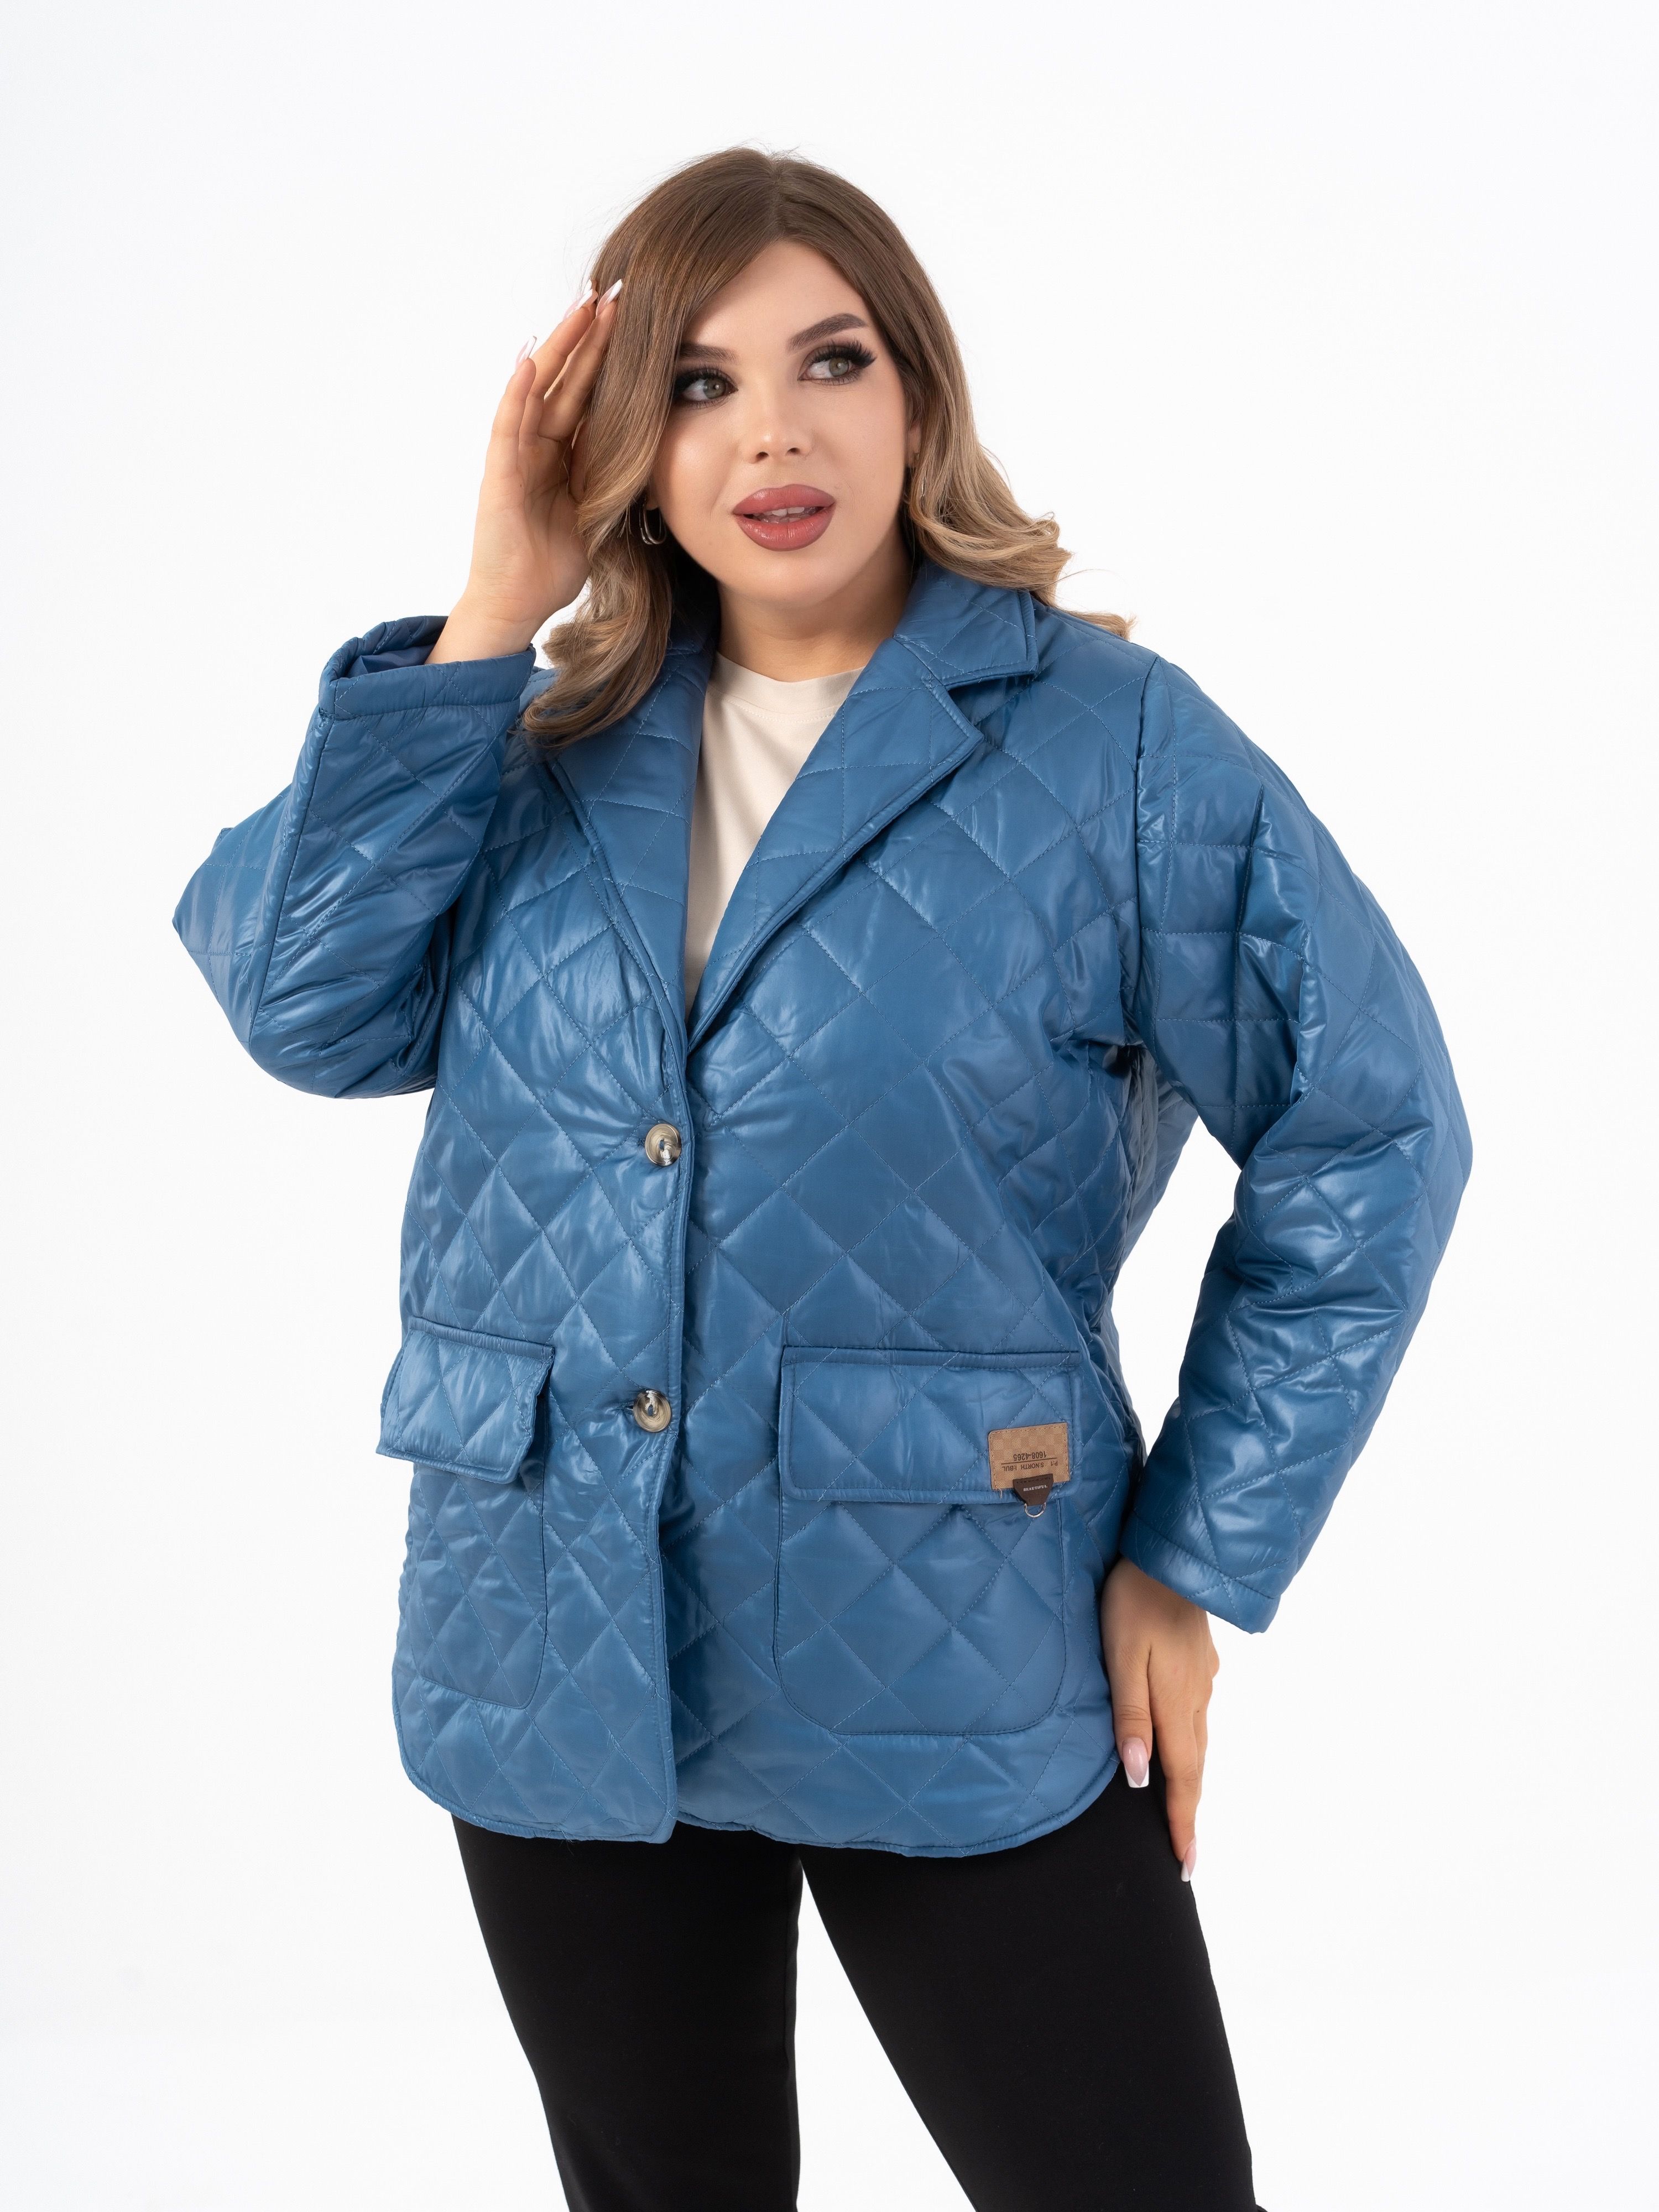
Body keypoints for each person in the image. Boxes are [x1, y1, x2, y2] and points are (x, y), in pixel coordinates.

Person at [174, 147, 1472, 2212]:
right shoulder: (518, 745)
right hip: (555, 1643)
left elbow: (1373, 1132)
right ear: (619, 438)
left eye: (830, 361)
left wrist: (1194, 1557)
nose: (771, 433)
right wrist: (494, 613)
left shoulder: (1118, 750)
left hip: (962, 1646)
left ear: (918, 392)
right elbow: (302, 1010)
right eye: (695, 383)